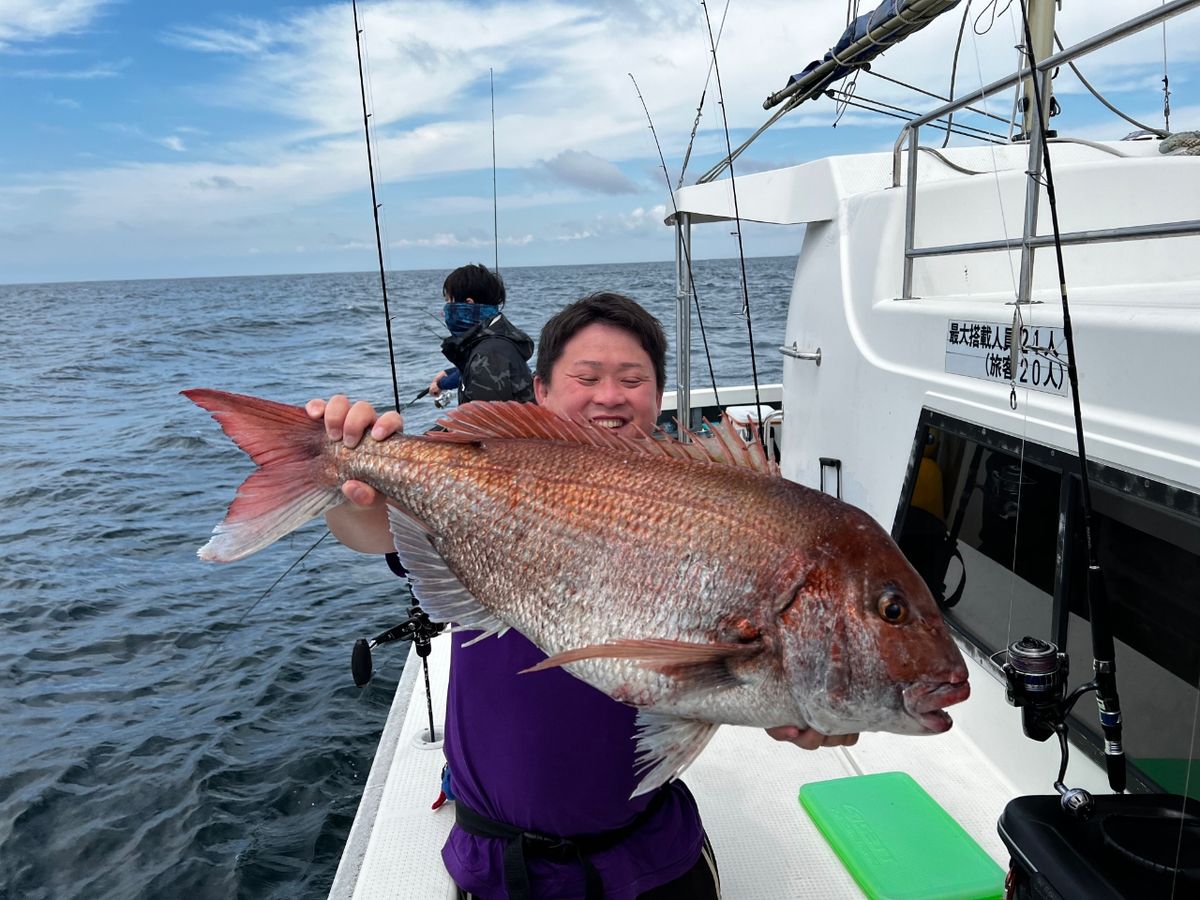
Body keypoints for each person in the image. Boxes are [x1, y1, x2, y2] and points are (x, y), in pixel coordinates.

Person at [307, 292, 858, 899]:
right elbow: (372, 529)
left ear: (657, 394)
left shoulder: (705, 504)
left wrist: (795, 703)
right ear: (540, 390)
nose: (610, 395)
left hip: (652, 847)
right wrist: (346, 482)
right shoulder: (484, 476)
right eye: (586, 376)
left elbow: (713, 675)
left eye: (633, 379)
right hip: (506, 865)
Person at [427, 263, 535, 406]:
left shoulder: (490, 352)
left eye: (448, 301)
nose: (444, 311)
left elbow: (487, 424)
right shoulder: (498, 336)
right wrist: (449, 373)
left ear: (468, 305)